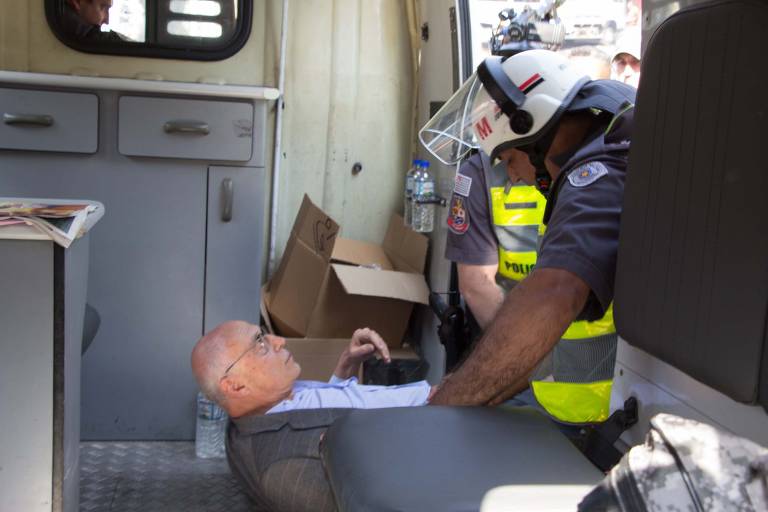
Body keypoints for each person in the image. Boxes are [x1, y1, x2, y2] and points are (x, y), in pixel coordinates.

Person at [420, 49, 635, 419]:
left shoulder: (599, 172)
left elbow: (554, 291)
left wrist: (438, 411)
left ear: (532, 132)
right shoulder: (611, 144)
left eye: (508, 160)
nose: (515, 176)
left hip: (606, 412)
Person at [191, 320, 434, 511]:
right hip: (436, 417)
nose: (279, 341)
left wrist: (345, 367)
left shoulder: (271, 405)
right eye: (260, 344)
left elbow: (315, 412)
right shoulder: (284, 468)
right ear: (235, 386)